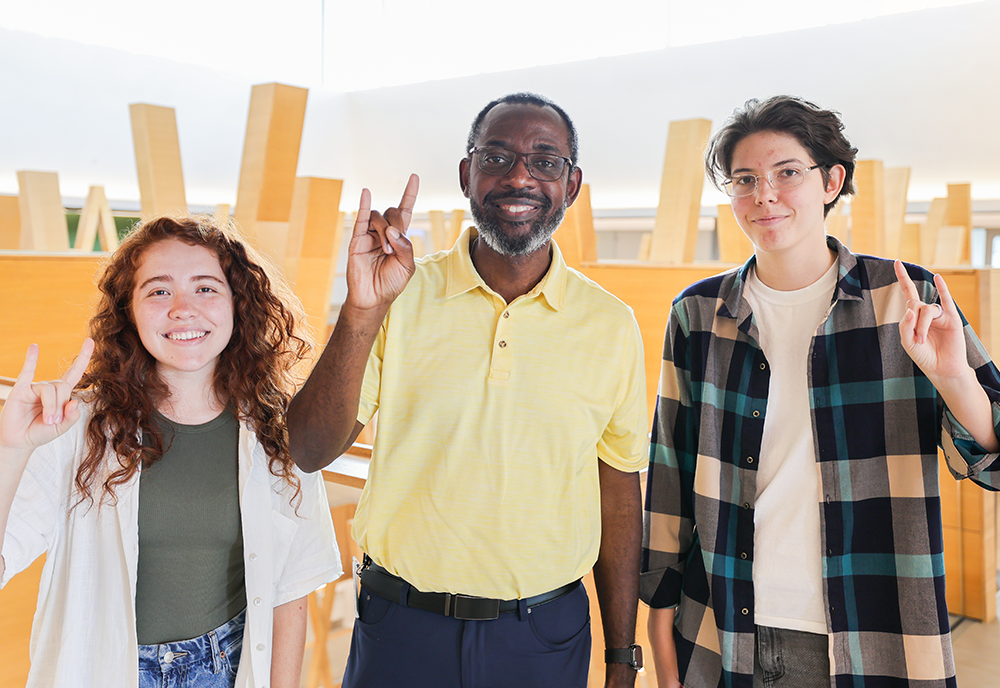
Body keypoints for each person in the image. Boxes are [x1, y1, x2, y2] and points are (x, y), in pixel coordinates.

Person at [287, 92, 648, 687]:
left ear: (573, 183)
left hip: (542, 636)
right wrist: (360, 310)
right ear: (466, 174)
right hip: (400, 628)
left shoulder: (609, 324)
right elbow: (307, 449)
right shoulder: (396, 296)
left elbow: (618, 490)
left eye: (546, 161)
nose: (520, 177)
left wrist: (621, 656)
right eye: (497, 157)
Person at [640, 95, 1000, 688]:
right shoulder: (698, 315)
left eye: (787, 173)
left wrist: (954, 377)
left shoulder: (905, 298)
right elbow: (670, 475)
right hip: (724, 625)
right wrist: (657, 620)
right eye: (746, 180)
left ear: (832, 181)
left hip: (876, 630)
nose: (765, 195)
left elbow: (991, 460)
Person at [0, 215, 342, 688]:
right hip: (106, 669)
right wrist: (11, 451)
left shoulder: (278, 426)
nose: (182, 308)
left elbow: (292, 586)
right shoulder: (75, 427)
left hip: (227, 665)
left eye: (205, 288)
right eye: (158, 291)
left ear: (237, 304)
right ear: (129, 311)